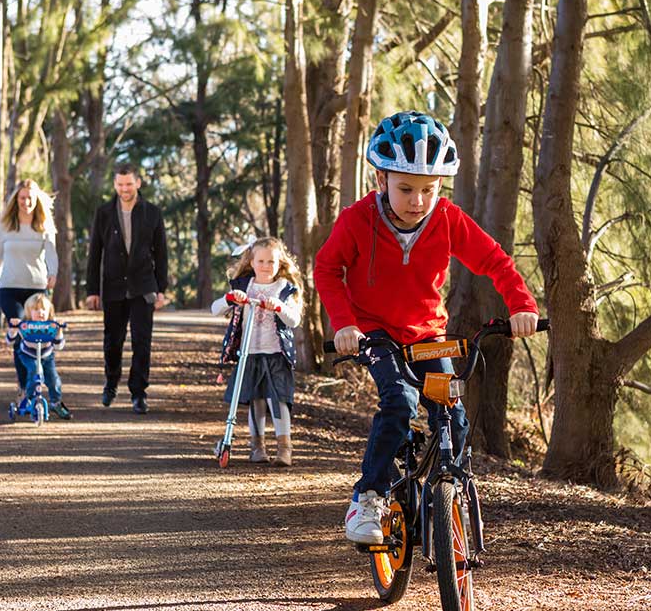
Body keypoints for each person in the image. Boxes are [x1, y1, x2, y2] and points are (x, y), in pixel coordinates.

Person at [314, 110, 540, 545]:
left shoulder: (448, 219)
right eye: (405, 188)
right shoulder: (357, 220)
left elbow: (495, 261)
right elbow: (328, 267)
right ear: (380, 180)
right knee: (398, 403)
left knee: (452, 416)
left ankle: (447, 494)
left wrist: (521, 305)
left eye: (428, 189)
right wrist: (344, 323)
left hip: (428, 337)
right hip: (376, 335)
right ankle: (370, 497)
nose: (417, 200)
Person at [85, 163, 169, 415]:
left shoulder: (152, 213)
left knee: (142, 343)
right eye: (120, 184)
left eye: (129, 184)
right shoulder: (104, 213)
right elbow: (94, 254)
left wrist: (161, 288)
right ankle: (111, 383)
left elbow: (161, 253)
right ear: (115, 185)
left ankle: (138, 393)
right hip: (112, 288)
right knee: (113, 341)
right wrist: (92, 290)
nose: (125, 189)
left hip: (143, 286)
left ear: (138, 183)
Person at [211, 237, 303, 466]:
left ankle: (284, 448)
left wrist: (279, 306)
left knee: (279, 400)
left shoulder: (283, 288)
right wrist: (230, 299)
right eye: (260, 261)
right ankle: (257, 446)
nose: (265, 266)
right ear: (251, 262)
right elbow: (215, 309)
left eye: (271, 261)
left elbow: (294, 320)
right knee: (256, 400)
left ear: (279, 262)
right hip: (249, 353)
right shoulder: (243, 286)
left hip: (276, 354)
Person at [0, 179, 69, 417]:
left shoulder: (44, 226)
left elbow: (52, 254)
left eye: (30, 198)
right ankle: (24, 388)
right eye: (22, 198)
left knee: (38, 335)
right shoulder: (4, 227)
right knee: (21, 332)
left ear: (37, 200)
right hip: (8, 289)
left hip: (36, 289)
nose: (26, 202)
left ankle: (43, 386)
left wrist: (53, 273)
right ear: (16, 200)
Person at [6, 293, 69, 419]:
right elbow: (10, 341)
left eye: (43, 309)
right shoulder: (24, 325)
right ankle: (29, 398)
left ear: (49, 311)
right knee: (35, 371)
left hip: (47, 355)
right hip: (28, 354)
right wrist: (13, 328)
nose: (40, 312)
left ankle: (56, 402)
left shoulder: (51, 325)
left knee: (53, 379)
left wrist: (59, 330)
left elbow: (58, 346)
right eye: (36, 309)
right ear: (29, 312)